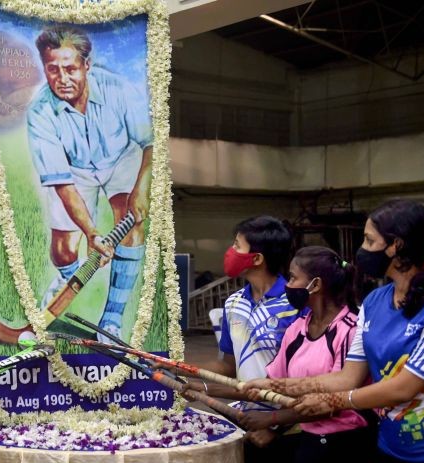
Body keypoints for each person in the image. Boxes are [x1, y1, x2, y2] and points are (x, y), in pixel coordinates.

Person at [245, 200, 424, 462]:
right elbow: (348, 377)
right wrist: (275, 385)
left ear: (395, 246)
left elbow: (405, 387)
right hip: (390, 445)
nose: (362, 250)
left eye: (369, 240)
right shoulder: (374, 301)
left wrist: (334, 401)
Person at [27, 25, 153, 342]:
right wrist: (92, 233)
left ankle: (110, 320)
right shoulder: (40, 112)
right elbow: (63, 184)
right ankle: (70, 290)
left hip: (122, 157)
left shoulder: (119, 90)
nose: (62, 78)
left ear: (87, 65)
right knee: (63, 251)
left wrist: (141, 188)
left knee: (131, 221)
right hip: (76, 171)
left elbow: (152, 144)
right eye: (52, 69)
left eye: (70, 68)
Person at [239, 246, 375, 462]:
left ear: (316, 285)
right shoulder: (298, 327)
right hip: (310, 433)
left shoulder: (351, 329)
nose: (287, 285)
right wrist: (204, 388)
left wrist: (271, 420)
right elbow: (271, 383)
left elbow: (329, 404)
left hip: (345, 438)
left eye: (292, 278)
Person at [182, 216, 299, 455]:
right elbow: (228, 366)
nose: (230, 252)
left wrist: (275, 427)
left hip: (290, 428)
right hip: (246, 422)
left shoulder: (295, 305)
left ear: (256, 258)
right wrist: (177, 366)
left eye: (237, 245)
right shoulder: (233, 303)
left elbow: (310, 379)